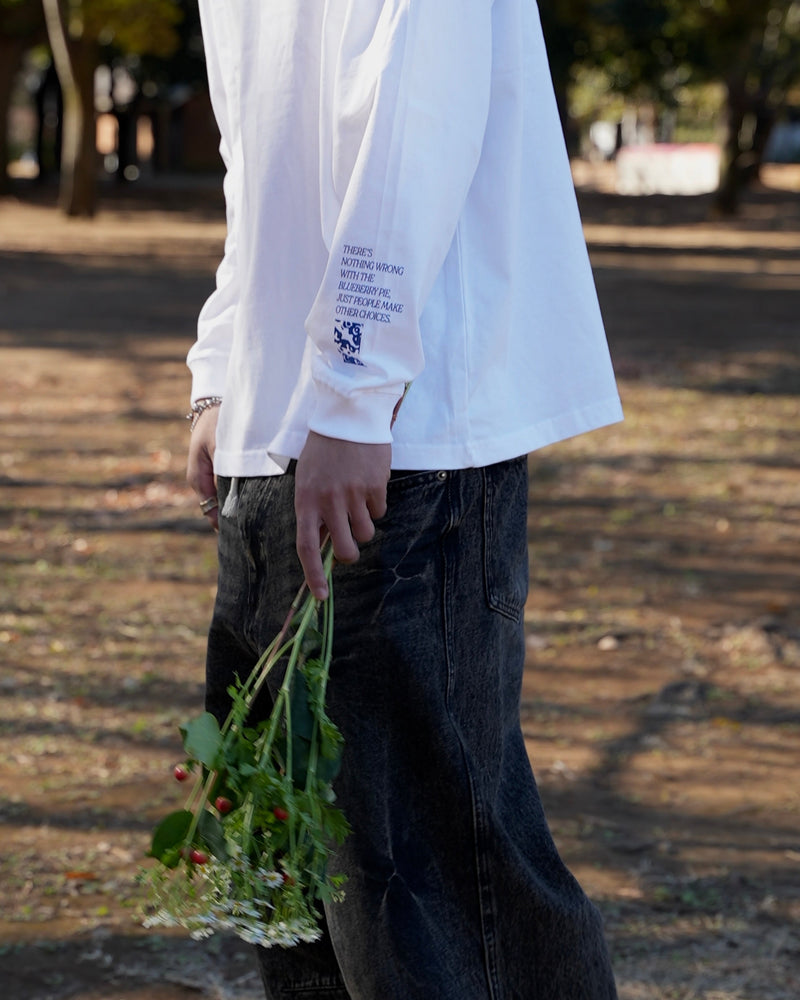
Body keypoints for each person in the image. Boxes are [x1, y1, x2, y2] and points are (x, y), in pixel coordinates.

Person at [186, 2, 623, 998]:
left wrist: (354, 385)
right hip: (284, 417)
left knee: (426, 865)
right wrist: (221, 367)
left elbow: (413, 117)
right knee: (294, 861)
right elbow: (258, 143)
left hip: (401, 427)